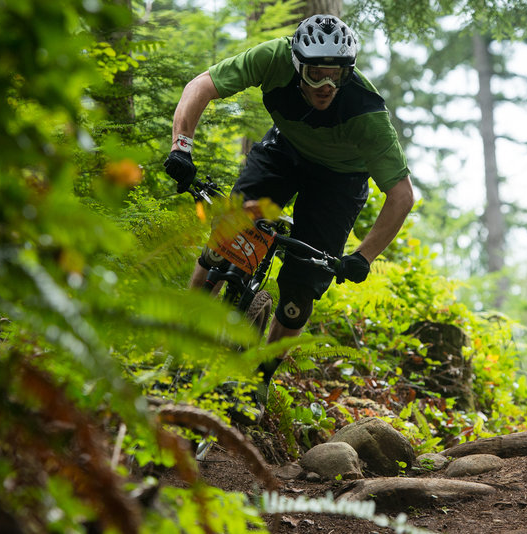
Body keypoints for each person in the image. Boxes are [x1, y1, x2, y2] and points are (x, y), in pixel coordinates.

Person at [163, 14, 414, 399]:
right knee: (229, 234)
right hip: (285, 151)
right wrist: (181, 147)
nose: (327, 86)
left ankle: (260, 380)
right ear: (297, 64)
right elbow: (201, 86)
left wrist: (362, 256)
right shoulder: (273, 58)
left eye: (337, 75)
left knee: (300, 289)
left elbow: (401, 195)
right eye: (316, 74)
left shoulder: (367, 112)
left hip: (340, 181)